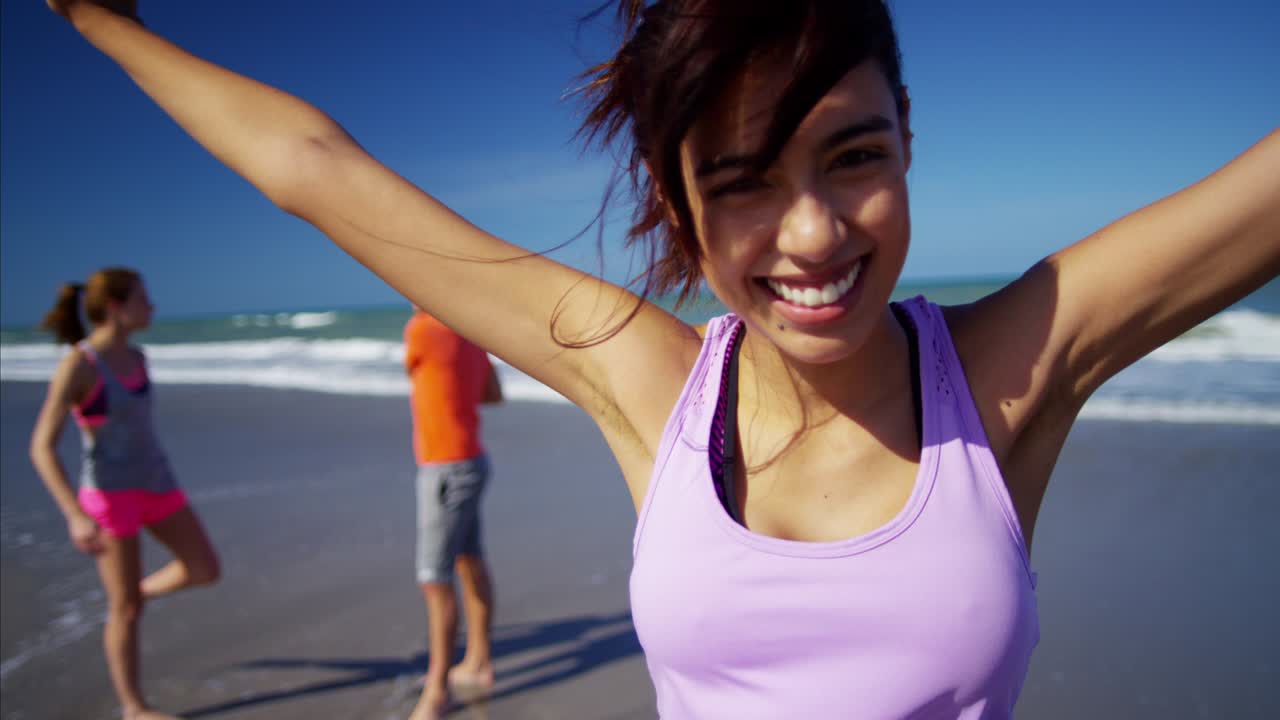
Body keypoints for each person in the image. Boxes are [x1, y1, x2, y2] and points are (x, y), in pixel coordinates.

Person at [45, 1, 1279, 717]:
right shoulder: (649, 381)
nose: (812, 235)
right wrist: (100, 20)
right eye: (742, 183)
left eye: (852, 157)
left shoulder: (1010, 365)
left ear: (906, 137)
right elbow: (316, 171)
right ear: (676, 204)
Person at [28, 267, 220, 720]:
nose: (151, 307)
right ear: (116, 306)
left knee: (204, 568)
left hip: (159, 484)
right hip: (111, 498)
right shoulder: (80, 365)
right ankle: (134, 708)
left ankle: (137, 590)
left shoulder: (139, 358)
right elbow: (41, 447)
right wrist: (75, 515)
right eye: (142, 298)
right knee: (125, 611)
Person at [403, 306, 503, 719]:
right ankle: (478, 661)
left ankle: (436, 690)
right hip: (472, 461)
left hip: (444, 468)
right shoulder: (468, 329)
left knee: (434, 577)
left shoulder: (422, 330)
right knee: (468, 560)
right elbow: (493, 394)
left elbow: (413, 373)